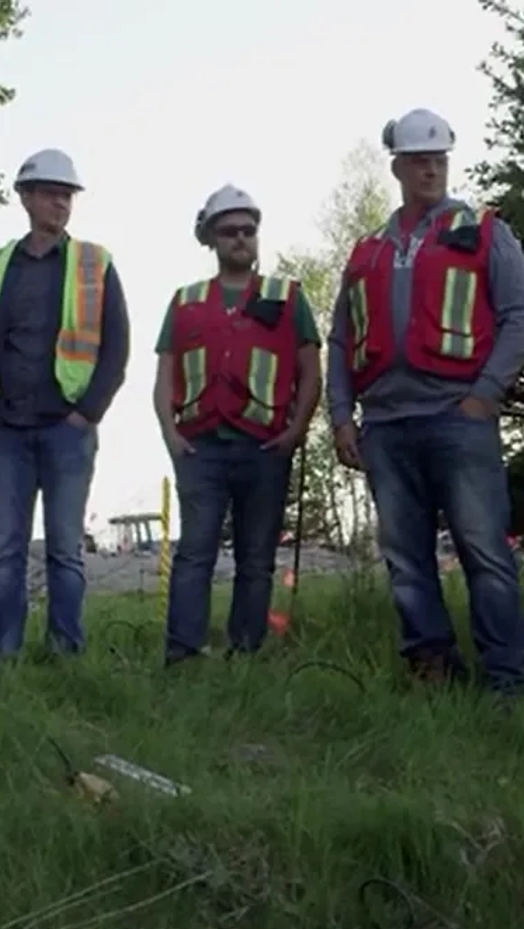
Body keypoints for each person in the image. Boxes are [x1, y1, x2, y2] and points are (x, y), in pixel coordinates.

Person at [328, 108, 524, 697]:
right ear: (396, 165)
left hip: (458, 420)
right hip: (386, 427)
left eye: (439, 158)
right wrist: (342, 416)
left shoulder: (485, 231)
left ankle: (505, 681)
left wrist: (485, 395)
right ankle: (434, 672)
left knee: (484, 552)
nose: (431, 168)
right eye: (419, 159)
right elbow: (342, 338)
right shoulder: (367, 249)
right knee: (405, 559)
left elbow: (521, 319)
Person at [0, 148, 130, 661]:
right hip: (5, 428)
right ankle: (2, 653)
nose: (60, 204)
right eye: (51, 194)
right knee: (7, 550)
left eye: (67, 196)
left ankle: (65, 651)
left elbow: (117, 345)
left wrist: (88, 412)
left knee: (65, 550)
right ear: (26, 198)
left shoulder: (95, 263)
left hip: (66, 428)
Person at [153, 185, 320, 665]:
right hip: (200, 447)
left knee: (256, 559)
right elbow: (164, 375)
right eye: (229, 231)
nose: (241, 239)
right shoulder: (185, 302)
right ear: (210, 239)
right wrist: (170, 433)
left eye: (249, 230)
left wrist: (296, 432)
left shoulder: (286, 298)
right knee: (194, 555)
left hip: (265, 446)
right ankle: (183, 655)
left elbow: (311, 370)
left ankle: (245, 652)